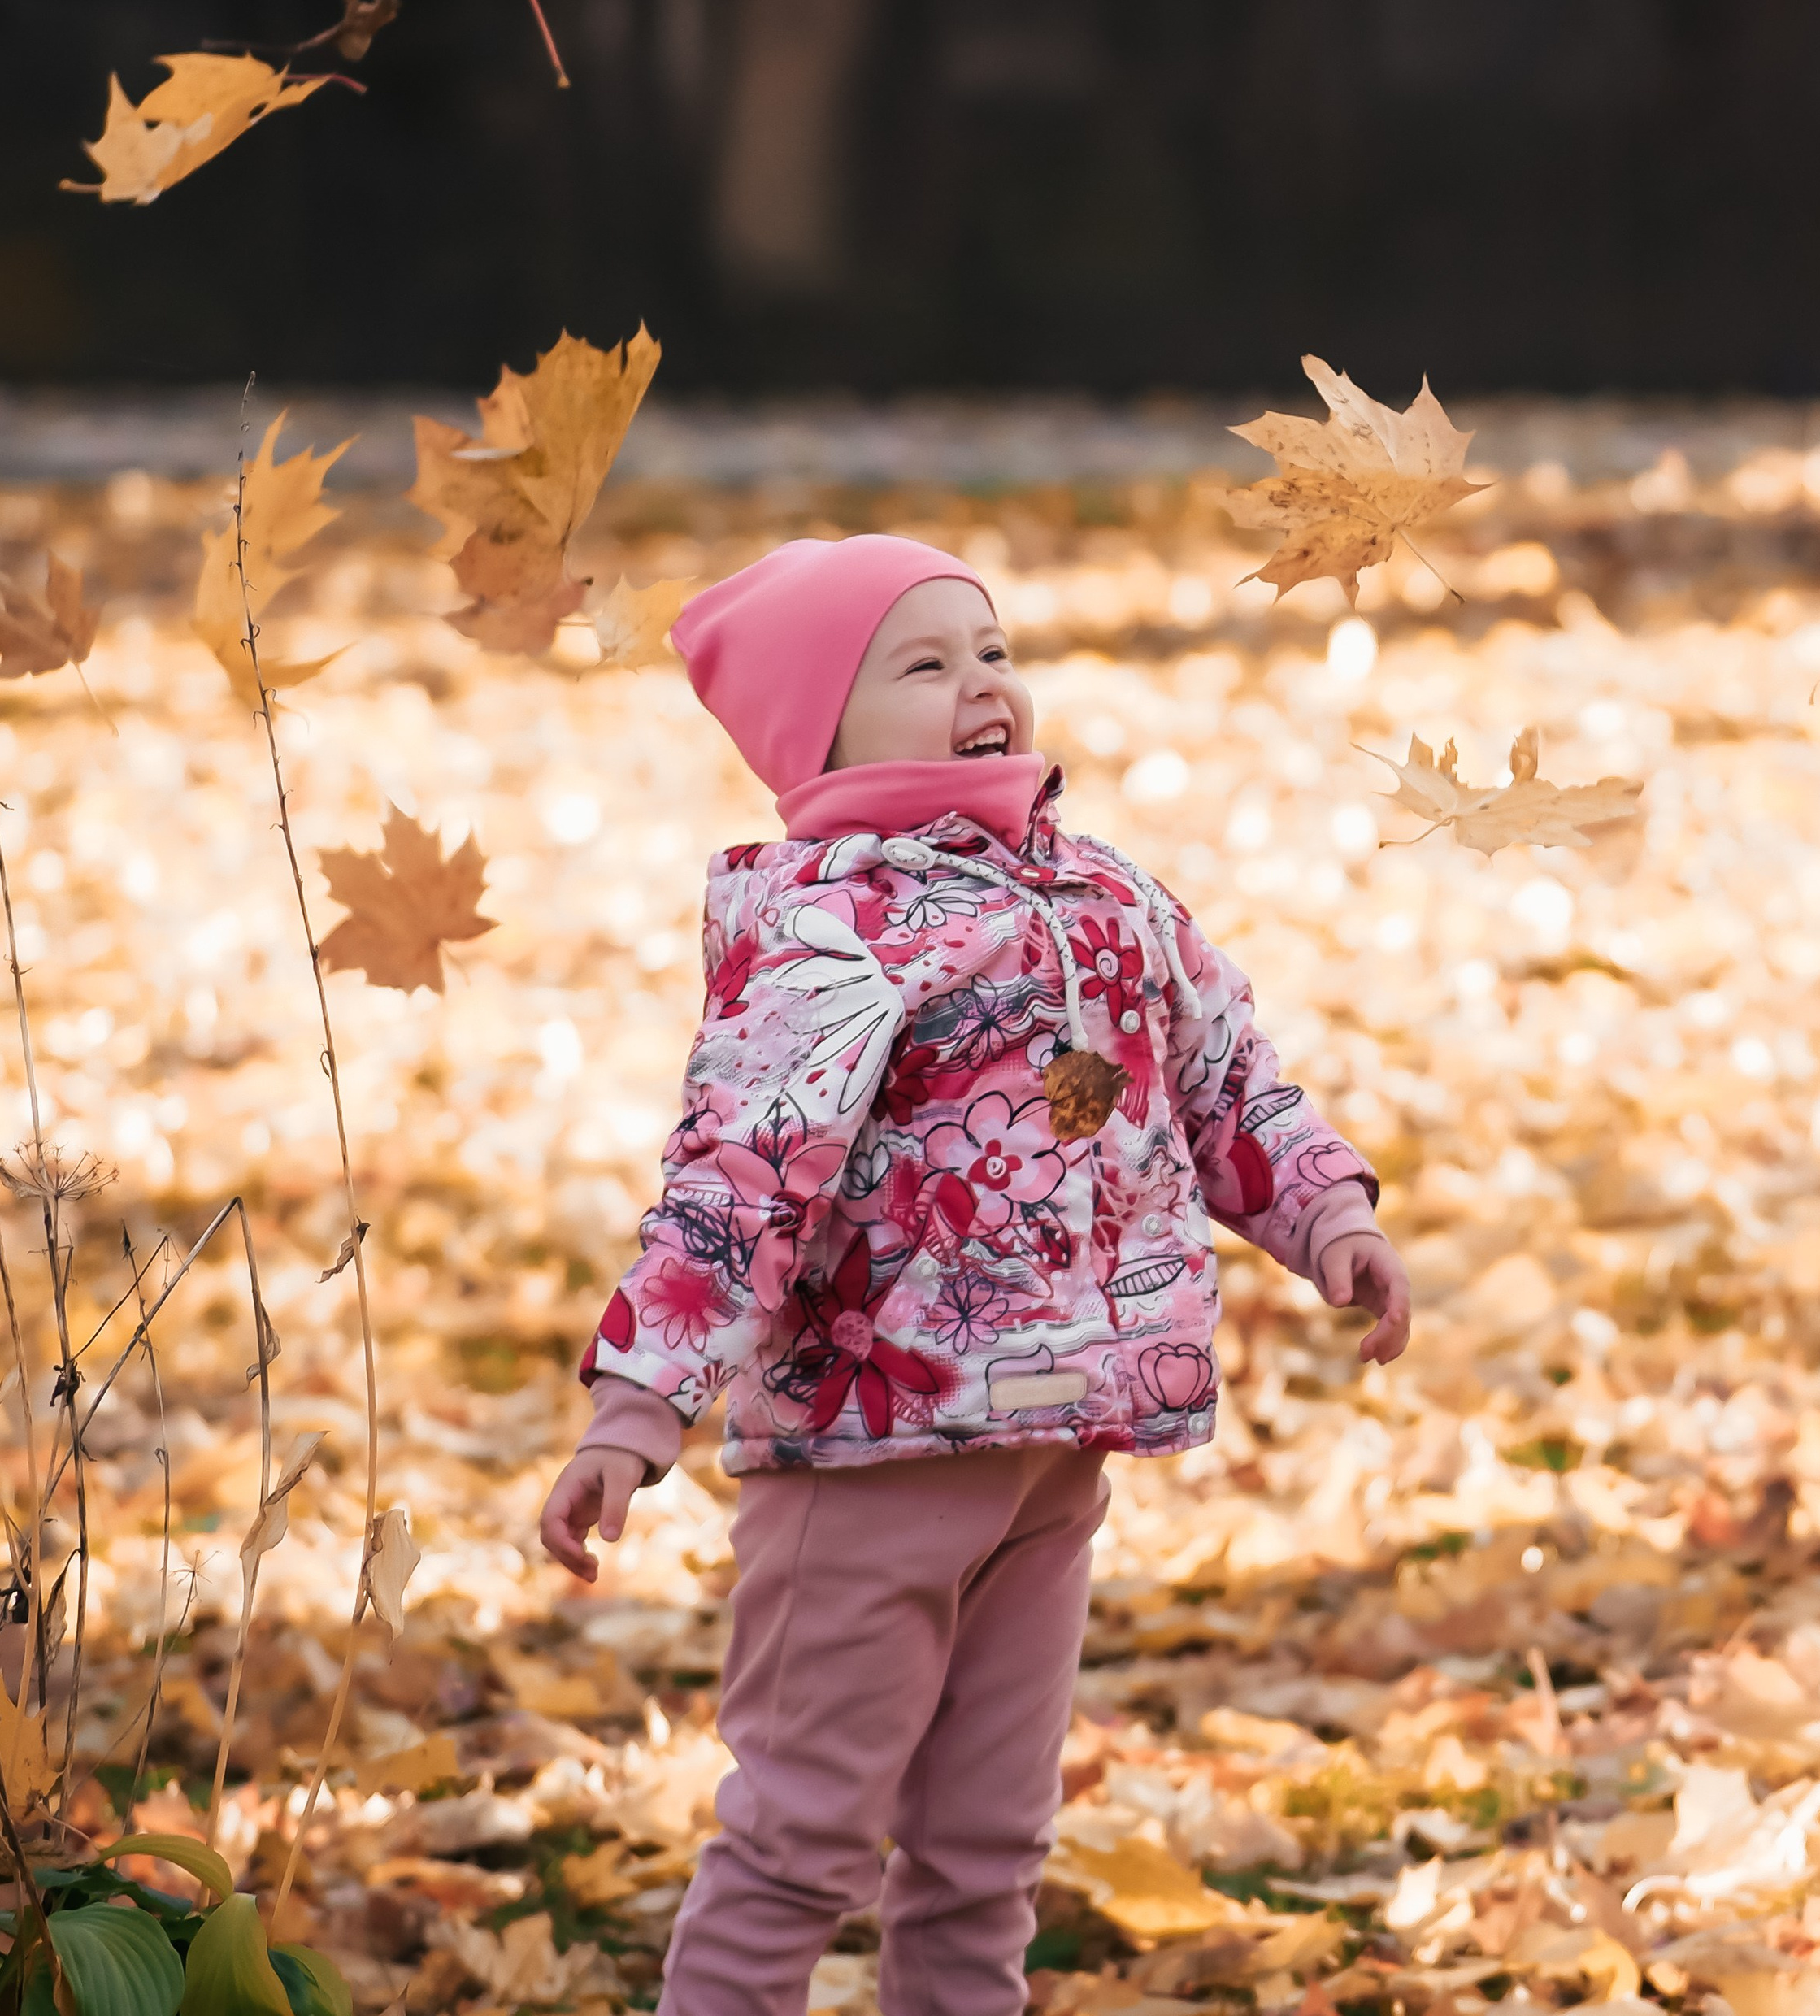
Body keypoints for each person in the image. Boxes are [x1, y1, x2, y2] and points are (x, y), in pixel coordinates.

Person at [540, 534, 1410, 2016]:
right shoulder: (827, 926)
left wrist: (1325, 1211)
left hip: (1055, 1450)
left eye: (992, 650)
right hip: (869, 1464)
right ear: (819, 730)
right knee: (802, 1840)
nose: (983, 685)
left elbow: (1222, 1071)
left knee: (987, 1849)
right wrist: (636, 1409)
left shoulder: (1110, 895)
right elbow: (741, 1174)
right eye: (925, 664)